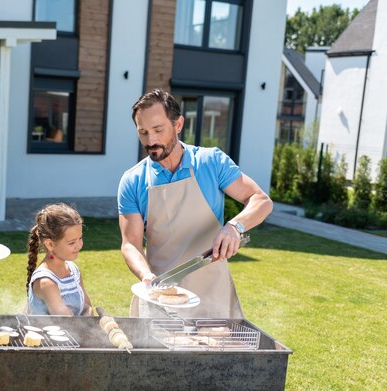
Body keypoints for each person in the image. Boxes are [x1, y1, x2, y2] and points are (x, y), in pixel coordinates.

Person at [117, 89, 273, 318]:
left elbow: (261, 200)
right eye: (143, 133)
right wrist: (146, 277)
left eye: (158, 130)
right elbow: (130, 243)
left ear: (178, 124)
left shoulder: (211, 162)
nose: (151, 141)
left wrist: (235, 227)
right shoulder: (133, 180)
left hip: (213, 297)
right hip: (160, 298)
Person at [26, 203, 93, 316]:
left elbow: (88, 307)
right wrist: (87, 320)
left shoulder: (73, 270)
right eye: (72, 243)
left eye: (80, 238)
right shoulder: (46, 282)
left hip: (75, 331)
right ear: (50, 244)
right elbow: (66, 322)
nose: (80, 245)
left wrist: (88, 316)